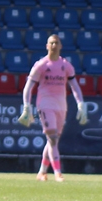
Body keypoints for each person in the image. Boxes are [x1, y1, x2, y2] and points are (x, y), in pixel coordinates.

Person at [19, 33, 87, 181]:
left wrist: (81, 104)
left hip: (61, 106)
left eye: (56, 43)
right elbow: (28, 86)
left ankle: (42, 172)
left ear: (61, 46)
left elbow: (74, 86)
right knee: (53, 138)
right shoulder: (42, 65)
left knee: (52, 141)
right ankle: (58, 173)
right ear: (47, 46)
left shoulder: (66, 66)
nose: (54, 45)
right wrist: (27, 106)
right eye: (51, 43)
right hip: (45, 105)